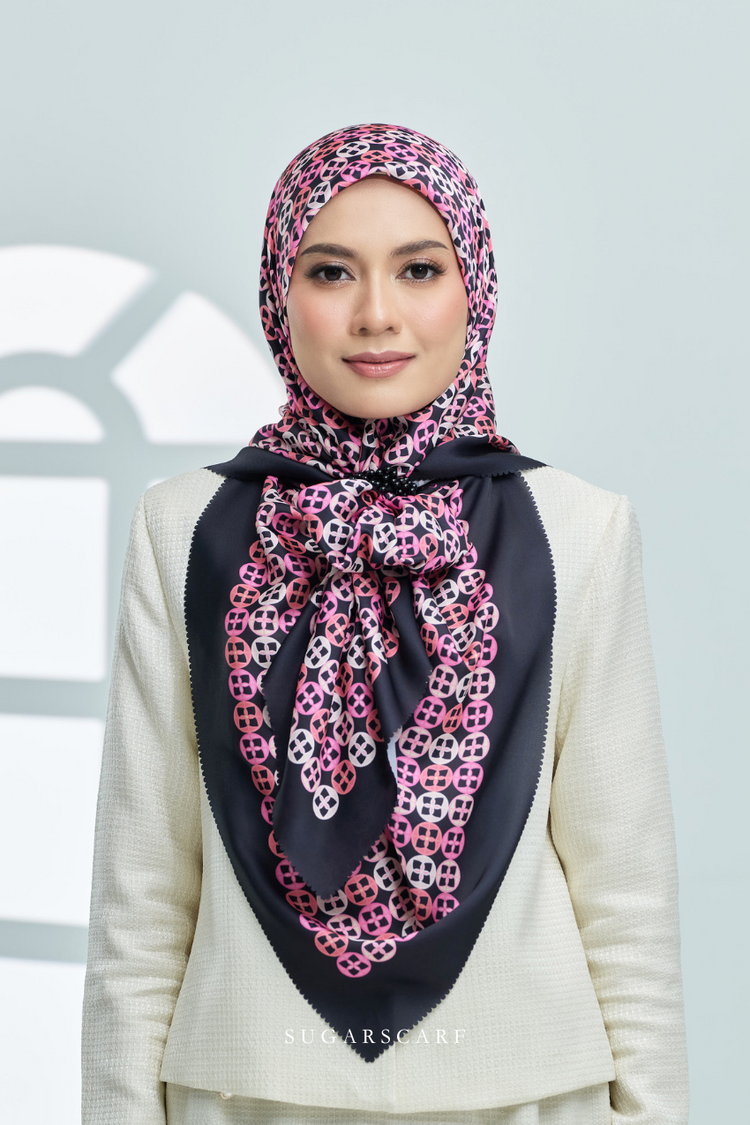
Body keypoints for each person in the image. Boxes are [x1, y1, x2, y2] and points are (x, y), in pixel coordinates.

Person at [82, 123, 689, 1125]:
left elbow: (625, 891)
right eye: (331, 272)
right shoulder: (186, 528)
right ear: (280, 294)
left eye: (418, 269)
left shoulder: (579, 528)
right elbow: (141, 892)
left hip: (528, 1091)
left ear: (474, 288)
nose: (375, 314)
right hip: (249, 1091)